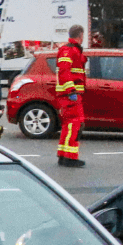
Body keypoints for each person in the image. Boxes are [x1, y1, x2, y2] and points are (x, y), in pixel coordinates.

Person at [55, 24, 87, 168]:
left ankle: (63, 155)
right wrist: (71, 91)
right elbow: (64, 71)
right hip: (70, 95)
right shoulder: (68, 50)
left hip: (70, 94)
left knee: (69, 125)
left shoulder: (72, 50)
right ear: (80, 36)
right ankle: (69, 158)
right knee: (75, 124)